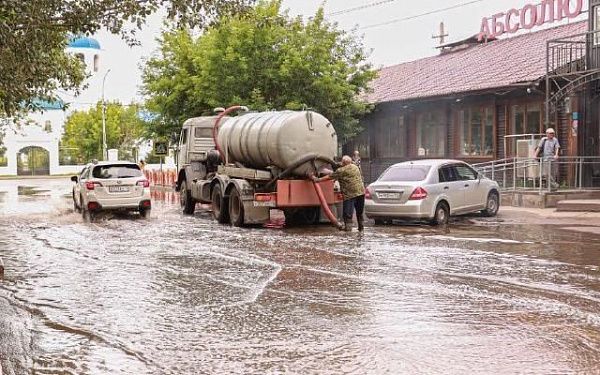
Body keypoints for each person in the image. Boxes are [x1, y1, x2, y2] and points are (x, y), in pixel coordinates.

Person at [312, 155, 365, 232]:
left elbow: (329, 177)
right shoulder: (355, 167)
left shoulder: (341, 171)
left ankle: (348, 230)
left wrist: (318, 179)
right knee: (359, 212)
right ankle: (361, 228)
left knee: (347, 213)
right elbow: (346, 166)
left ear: (343, 163)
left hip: (350, 194)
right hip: (361, 193)